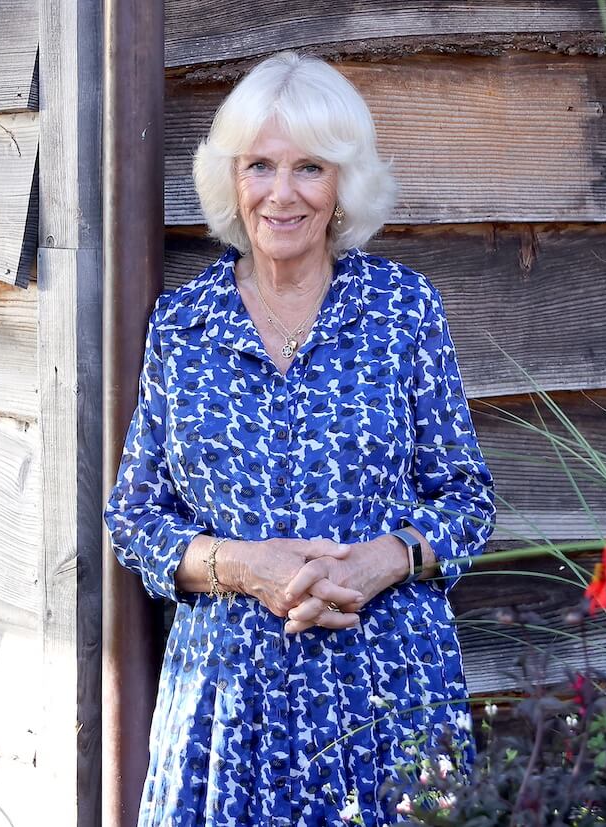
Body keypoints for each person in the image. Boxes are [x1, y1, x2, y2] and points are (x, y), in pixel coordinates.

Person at [104, 51, 495, 827]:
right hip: (227, 701)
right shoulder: (183, 326)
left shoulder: (402, 309)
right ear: (232, 179)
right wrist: (248, 566)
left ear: (343, 185)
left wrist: (383, 560)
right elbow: (137, 515)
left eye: (309, 167)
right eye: (260, 167)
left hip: (387, 690)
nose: (281, 194)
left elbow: (468, 497)